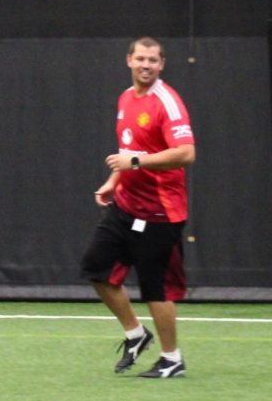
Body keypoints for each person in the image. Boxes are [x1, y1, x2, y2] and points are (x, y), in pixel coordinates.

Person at [81, 36, 196, 378]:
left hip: (160, 213)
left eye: (153, 60)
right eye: (141, 58)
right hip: (125, 208)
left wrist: (136, 161)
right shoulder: (126, 99)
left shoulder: (167, 102)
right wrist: (113, 181)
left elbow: (186, 153)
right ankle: (135, 334)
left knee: (155, 288)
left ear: (161, 65)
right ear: (129, 60)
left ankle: (172, 359)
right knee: (96, 269)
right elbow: (128, 150)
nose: (146, 65)